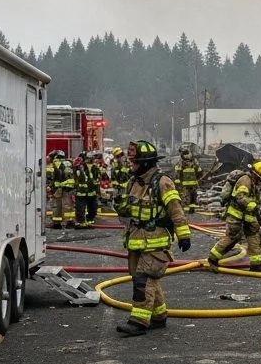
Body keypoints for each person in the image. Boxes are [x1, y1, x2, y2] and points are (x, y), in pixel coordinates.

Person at [114, 140, 192, 337]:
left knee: (143, 279)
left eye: (136, 162)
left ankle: (138, 321)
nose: (132, 165)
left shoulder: (162, 182)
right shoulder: (133, 182)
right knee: (148, 280)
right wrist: (119, 202)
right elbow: (127, 211)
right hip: (136, 240)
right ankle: (158, 316)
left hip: (156, 241)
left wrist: (184, 235)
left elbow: (176, 210)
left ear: (147, 163)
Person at [209, 160, 261, 271]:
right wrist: (251, 204)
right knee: (232, 238)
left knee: (254, 237)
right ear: (257, 174)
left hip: (248, 216)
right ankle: (212, 258)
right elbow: (240, 196)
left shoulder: (255, 183)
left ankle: (256, 264)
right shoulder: (245, 180)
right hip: (236, 215)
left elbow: (256, 199)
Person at [44, 150, 75, 229]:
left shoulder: (56, 163)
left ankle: (56, 223)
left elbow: (53, 176)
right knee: (68, 205)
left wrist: (50, 186)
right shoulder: (70, 162)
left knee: (57, 205)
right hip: (69, 187)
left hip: (59, 187)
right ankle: (69, 221)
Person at [72, 155, 99, 227]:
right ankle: (81, 221)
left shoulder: (95, 167)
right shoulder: (78, 167)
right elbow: (74, 177)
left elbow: (97, 178)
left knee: (93, 208)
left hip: (92, 192)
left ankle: (89, 219)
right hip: (81, 192)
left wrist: (97, 190)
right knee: (80, 208)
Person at [175, 146, 204, 213]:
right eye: (185, 154)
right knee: (186, 199)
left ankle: (191, 210)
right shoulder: (181, 163)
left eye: (187, 154)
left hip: (191, 185)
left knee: (192, 199)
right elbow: (177, 175)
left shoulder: (194, 163)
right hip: (186, 185)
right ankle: (186, 211)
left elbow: (199, 172)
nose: (187, 156)